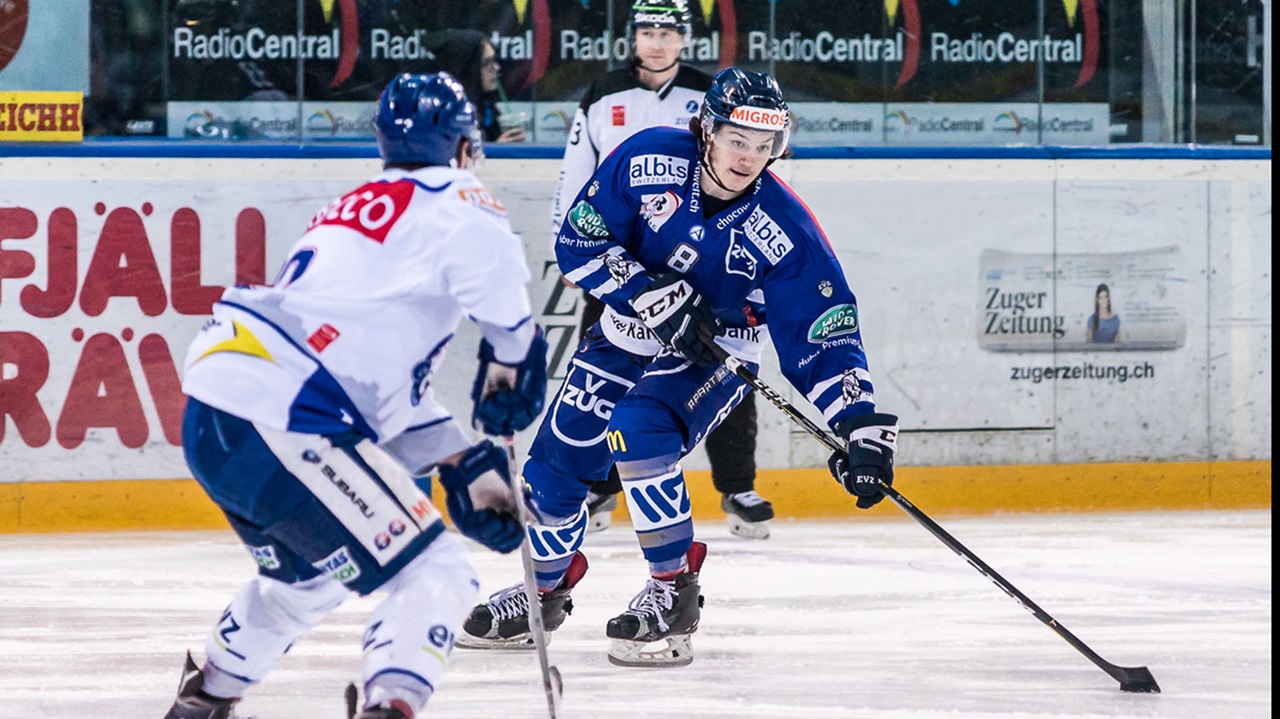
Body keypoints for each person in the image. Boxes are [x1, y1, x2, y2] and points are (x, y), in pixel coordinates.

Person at [458, 68, 900, 668]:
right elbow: (579, 241)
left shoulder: (787, 228)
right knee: (557, 463)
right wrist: (645, 291)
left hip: (716, 351)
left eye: (765, 145)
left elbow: (823, 330)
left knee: (640, 429)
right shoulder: (646, 159)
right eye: (738, 140)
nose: (750, 157)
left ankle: (672, 593)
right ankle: (542, 589)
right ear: (707, 130)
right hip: (623, 333)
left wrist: (858, 425)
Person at [162, 72, 548, 719]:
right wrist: (511, 374)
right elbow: (513, 336)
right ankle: (389, 706)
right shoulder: (464, 200)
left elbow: (366, 382)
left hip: (218, 417)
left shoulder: (355, 210)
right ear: (461, 146)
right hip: (286, 414)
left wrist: (459, 460)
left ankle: (204, 700)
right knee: (436, 573)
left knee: (307, 579)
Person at [549, 0, 774, 540]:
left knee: (720, 361)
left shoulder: (713, 94)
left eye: (666, 31)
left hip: (704, 257)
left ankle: (737, 485)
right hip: (621, 260)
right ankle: (600, 487)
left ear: (684, 38)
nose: (655, 41)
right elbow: (575, 171)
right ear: (633, 37)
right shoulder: (603, 93)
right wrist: (566, 241)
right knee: (603, 371)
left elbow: (755, 169)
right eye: (646, 30)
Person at [422, 29, 526, 144]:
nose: (496, 68)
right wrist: (496, 150)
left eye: (494, 61)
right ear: (468, 70)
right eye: (487, 63)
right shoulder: (447, 115)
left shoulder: (488, 109)